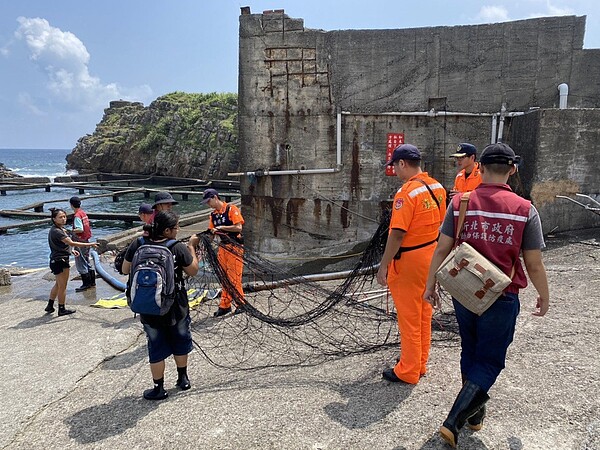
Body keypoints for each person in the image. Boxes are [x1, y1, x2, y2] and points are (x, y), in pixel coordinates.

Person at [423, 143, 549, 448]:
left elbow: (442, 248)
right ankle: (453, 421)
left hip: (465, 290)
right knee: (491, 361)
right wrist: (544, 295)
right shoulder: (524, 209)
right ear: (513, 169)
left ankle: (475, 416)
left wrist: (430, 285)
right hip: (502, 295)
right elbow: (533, 262)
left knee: (471, 350)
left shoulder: (461, 202)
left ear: (479, 167)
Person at [376, 143, 447, 384]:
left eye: (395, 166)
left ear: (403, 164)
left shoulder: (406, 193)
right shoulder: (437, 187)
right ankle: (420, 362)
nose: (395, 171)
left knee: (408, 316)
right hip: (431, 253)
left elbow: (397, 234)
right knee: (424, 311)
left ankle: (407, 370)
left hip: (409, 260)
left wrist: (384, 265)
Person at [122, 210, 199, 400]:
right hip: (176, 304)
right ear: (166, 230)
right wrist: (191, 248)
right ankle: (183, 379)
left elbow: (124, 269)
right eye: (175, 228)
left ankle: (159, 388)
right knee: (180, 338)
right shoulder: (177, 247)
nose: (177, 230)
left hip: (148, 305)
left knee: (155, 344)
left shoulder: (138, 243)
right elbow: (194, 271)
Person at [45, 208, 99, 316]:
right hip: (60, 261)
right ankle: (62, 308)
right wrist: (90, 244)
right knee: (62, 286)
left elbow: (64, 245)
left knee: (58, 284)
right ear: (54, 219)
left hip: (56, 260)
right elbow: (73, 242)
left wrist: (72, 251)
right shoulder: (57, 231)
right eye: (60, 217)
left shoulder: (58, 229)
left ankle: (50, 305)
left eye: (64, 216)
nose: (63, 219)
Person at [202, 188, 245, 317]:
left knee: (234, 277)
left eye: (209, 201)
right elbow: (211, 233)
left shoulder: (231, 209)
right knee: (223, 276)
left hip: (235, 247)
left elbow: (238, 227)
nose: (208, 204)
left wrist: (221, 228)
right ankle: (225, 305)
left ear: (215, 197)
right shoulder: (213, 215)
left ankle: (240, 303)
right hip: (223, 247)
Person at [69, 196, 96, 292]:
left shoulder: (77, 216)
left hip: (80, 242)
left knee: (81, 262)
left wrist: (72, 231)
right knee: (87, 260)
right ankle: (92, 282)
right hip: (86, 240)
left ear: (71, 205)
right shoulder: (83, 213)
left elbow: (80, 229)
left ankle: (86, 284)